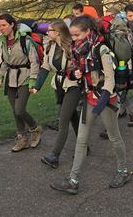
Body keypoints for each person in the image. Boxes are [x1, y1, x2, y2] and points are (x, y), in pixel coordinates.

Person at [50, 15, 131, 194]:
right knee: (81, 140)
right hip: (89, 98)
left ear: (88, 32)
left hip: (105, 101)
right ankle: (73, 179)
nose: (74, 39)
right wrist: (75, 75)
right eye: (72, 35)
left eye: (77, 35)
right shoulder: (79, 49)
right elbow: (75, 71)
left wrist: (101, 103)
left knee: (114, 137)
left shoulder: (101, 49)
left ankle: (123, 171)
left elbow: (109, 79)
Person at [32, 20, 81, 169]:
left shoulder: (72, 46)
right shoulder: (51, 46)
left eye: (50, 30)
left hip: (73, 85)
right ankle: (84, 145)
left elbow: (79, 65)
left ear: (58, 32)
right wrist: (37, 86)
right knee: (73, 117)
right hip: (59, 85)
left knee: (63, 119)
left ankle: (54, 156)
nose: (47, 33)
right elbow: (46, 67)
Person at [0, 14, 43, 152]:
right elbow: (5, 61)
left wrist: (33, 80)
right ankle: (22, 139)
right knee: (15, 112)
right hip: (10, 79)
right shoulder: (3, 41)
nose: (1, 28)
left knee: (19, 109)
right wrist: (0, 77)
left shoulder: (25, 40)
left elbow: (34, 61)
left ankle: (35, 129)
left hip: (25, 78)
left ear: (12, 24)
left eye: (4, 25)